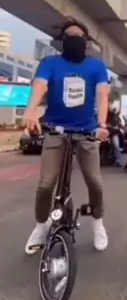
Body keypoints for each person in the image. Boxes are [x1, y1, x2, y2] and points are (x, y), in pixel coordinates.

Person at [23, 20, 110, 253]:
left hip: (87, 132)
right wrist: (30, 112)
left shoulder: (96, 66)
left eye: (79, 35)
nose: (74, 39)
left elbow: (102, 95)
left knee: (95, 182)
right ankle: (41, 224)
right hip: (55, 130)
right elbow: (39, 86)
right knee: (46, 184)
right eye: (69, 35)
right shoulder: (50, 63)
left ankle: (97, 221)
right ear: (62, 41)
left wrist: (102, 125)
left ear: (86, 41)